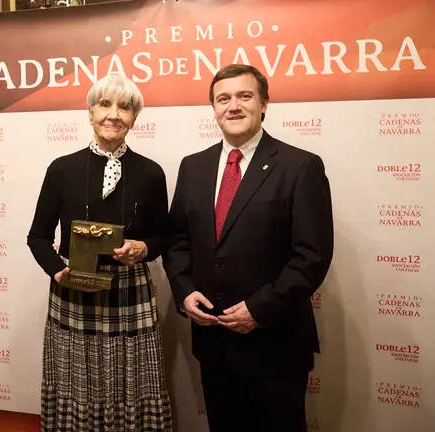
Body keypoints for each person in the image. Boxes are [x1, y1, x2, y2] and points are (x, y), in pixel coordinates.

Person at [162, 64, 334, 432]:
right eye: (223, 99)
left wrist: (259, 309)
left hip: (275, 343)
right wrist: (185, 290)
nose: (233, 106)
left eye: (244, 96)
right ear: (213, 109)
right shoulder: (193, 167)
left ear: (264, 104)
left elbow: (312, 256)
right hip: (213, 342)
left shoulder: (300, 166)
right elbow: (178, 240)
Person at [27, 73, 173, 431]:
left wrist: (145, 247)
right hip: (73, 286)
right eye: (105, 104)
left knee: (132, 383)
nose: (114, 114)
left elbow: (165, 237)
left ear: (134, 118)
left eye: (124, 107)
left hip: (129, 290)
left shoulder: (152, 173)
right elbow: (38, 237)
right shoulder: (61, 169)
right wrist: (57, 270)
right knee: (77, 384)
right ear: (90, 113)